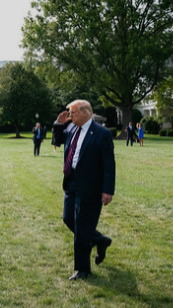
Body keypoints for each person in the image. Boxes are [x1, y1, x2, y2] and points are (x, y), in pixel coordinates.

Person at [52, 99, 115, 280]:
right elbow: (57, 141)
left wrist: (108, 190)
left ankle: (82, 269)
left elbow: (109, 164)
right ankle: (99, 240)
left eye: (73, 113)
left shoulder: (102, 134)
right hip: (71, 182)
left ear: (85, 113)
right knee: (68, 218)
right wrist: (58, 124)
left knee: (82, 226)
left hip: (90, 186)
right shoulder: (72, 128)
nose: (70, 116)